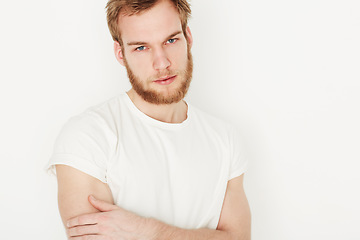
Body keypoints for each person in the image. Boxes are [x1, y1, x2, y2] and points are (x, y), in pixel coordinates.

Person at [47, 0, 251, 239]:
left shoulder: (224, 138)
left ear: (188, 37)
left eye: (171, 40)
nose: (162, 63)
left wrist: (147, 230)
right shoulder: (88, 135)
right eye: (141, 47)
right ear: (120, 53)